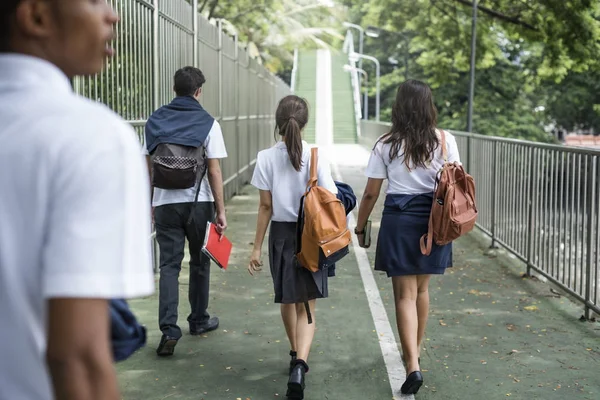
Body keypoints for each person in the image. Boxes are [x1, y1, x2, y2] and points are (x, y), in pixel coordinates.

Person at [0, 1, 154, 399]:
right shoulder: (88, 135)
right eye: (94, 1)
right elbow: (78, 357)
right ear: (35, 16)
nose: (112, 15)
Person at [355, 80, 461, 395]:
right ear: (430, 106)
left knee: (404, 296)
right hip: (434, 222)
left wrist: (361, 227)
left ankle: (412, 364)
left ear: (398, 107)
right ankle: (415, 349)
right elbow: (454, 182)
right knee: (422, 289)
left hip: (399, 220)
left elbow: (371, 192)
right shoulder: (445, 140)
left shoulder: (386, 143)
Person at [247, 95, 338, 400]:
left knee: (288, 300)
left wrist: (256, 248)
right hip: (312, 236)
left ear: (278, 121)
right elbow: (331, 196)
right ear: (305, 121)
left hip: (281, 235)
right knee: (308, 304)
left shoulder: (265, 157)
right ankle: (301, 363)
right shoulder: (316, 156)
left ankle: (293, 352)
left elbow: (264, 207)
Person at [143, 66, 228, 356]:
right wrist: (221, 210)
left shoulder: (155, 120)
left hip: (165, 202)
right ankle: (199, 320)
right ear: (198, 91)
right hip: (199, 202)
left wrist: (149, 203)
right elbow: (214, 171)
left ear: (175, 88)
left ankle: (168, 330)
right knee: (199, 263)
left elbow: (149, 168)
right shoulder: (208, 123)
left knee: (169, 266)